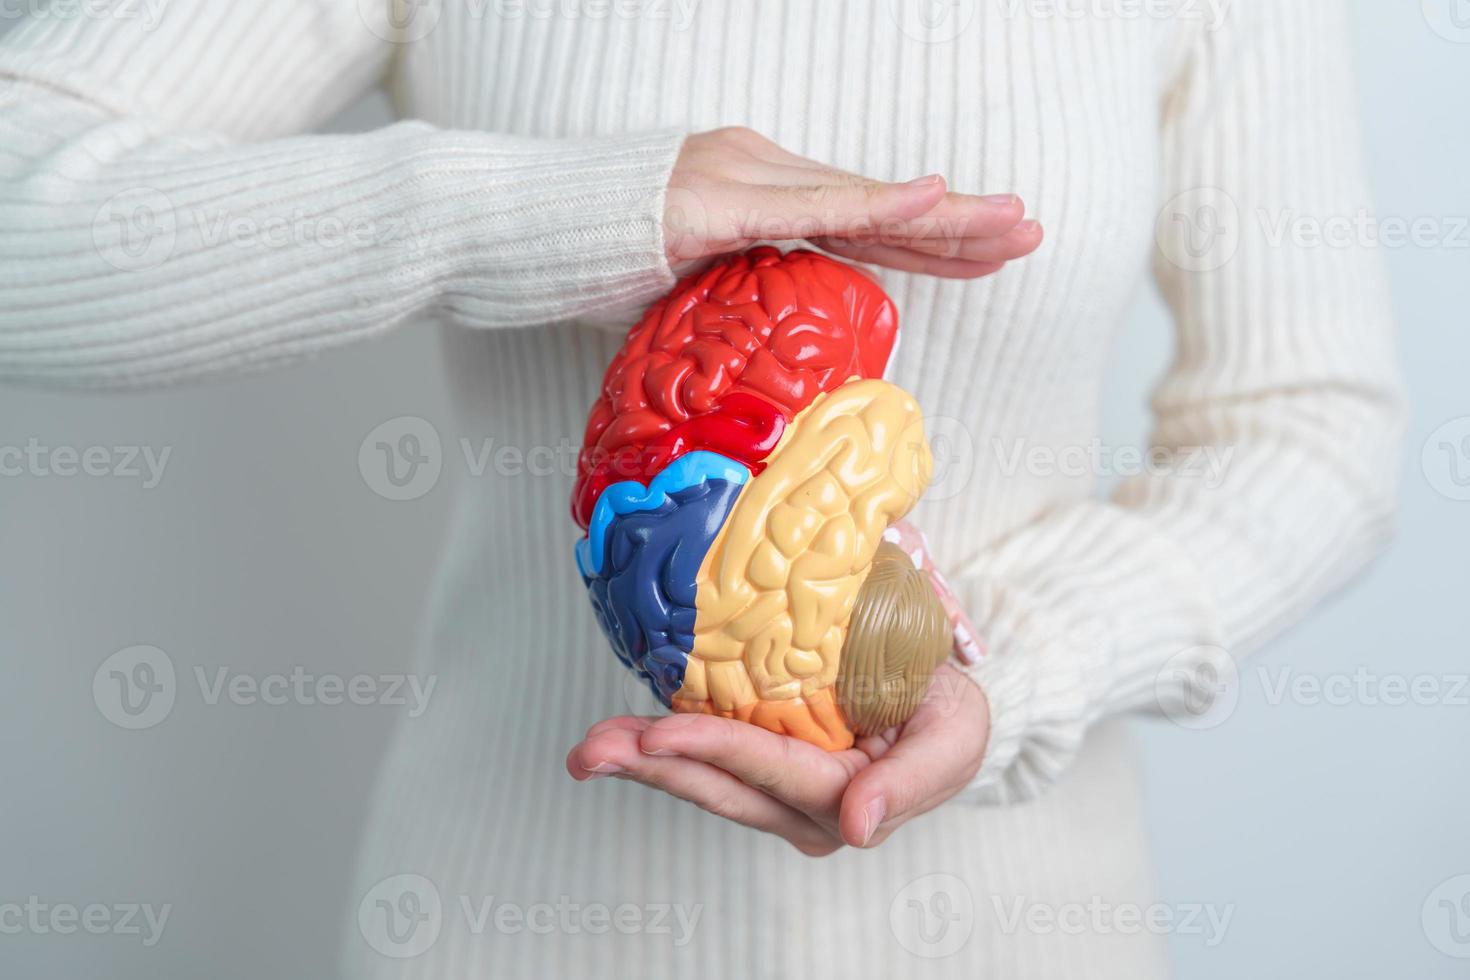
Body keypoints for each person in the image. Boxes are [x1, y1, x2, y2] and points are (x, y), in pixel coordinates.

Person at [0, 1, 1401, 976]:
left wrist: (1013, 668)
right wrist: (585, 215)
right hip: (511, 922)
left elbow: (1305, 425)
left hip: (1022, 934)